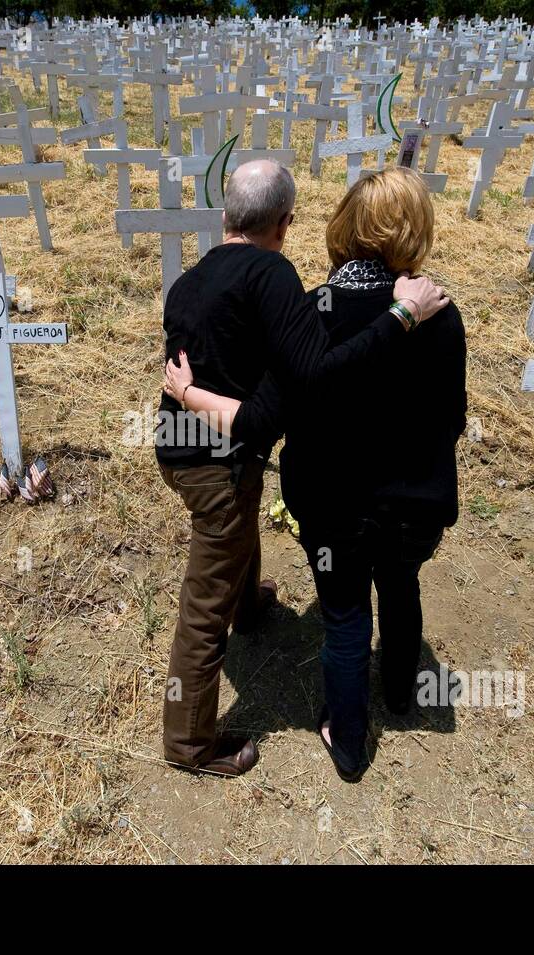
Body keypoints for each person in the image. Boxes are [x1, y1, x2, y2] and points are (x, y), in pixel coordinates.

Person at [165, 167, 466, 782]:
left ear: (345, 226)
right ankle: (404, 693)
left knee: (347, 616)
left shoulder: (316, 308)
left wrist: (193, 398)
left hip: (335, 507)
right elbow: (453, 418)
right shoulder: (440, 311)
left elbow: (282, 404)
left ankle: (348, 741)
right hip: (413, 505)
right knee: (402, 583)